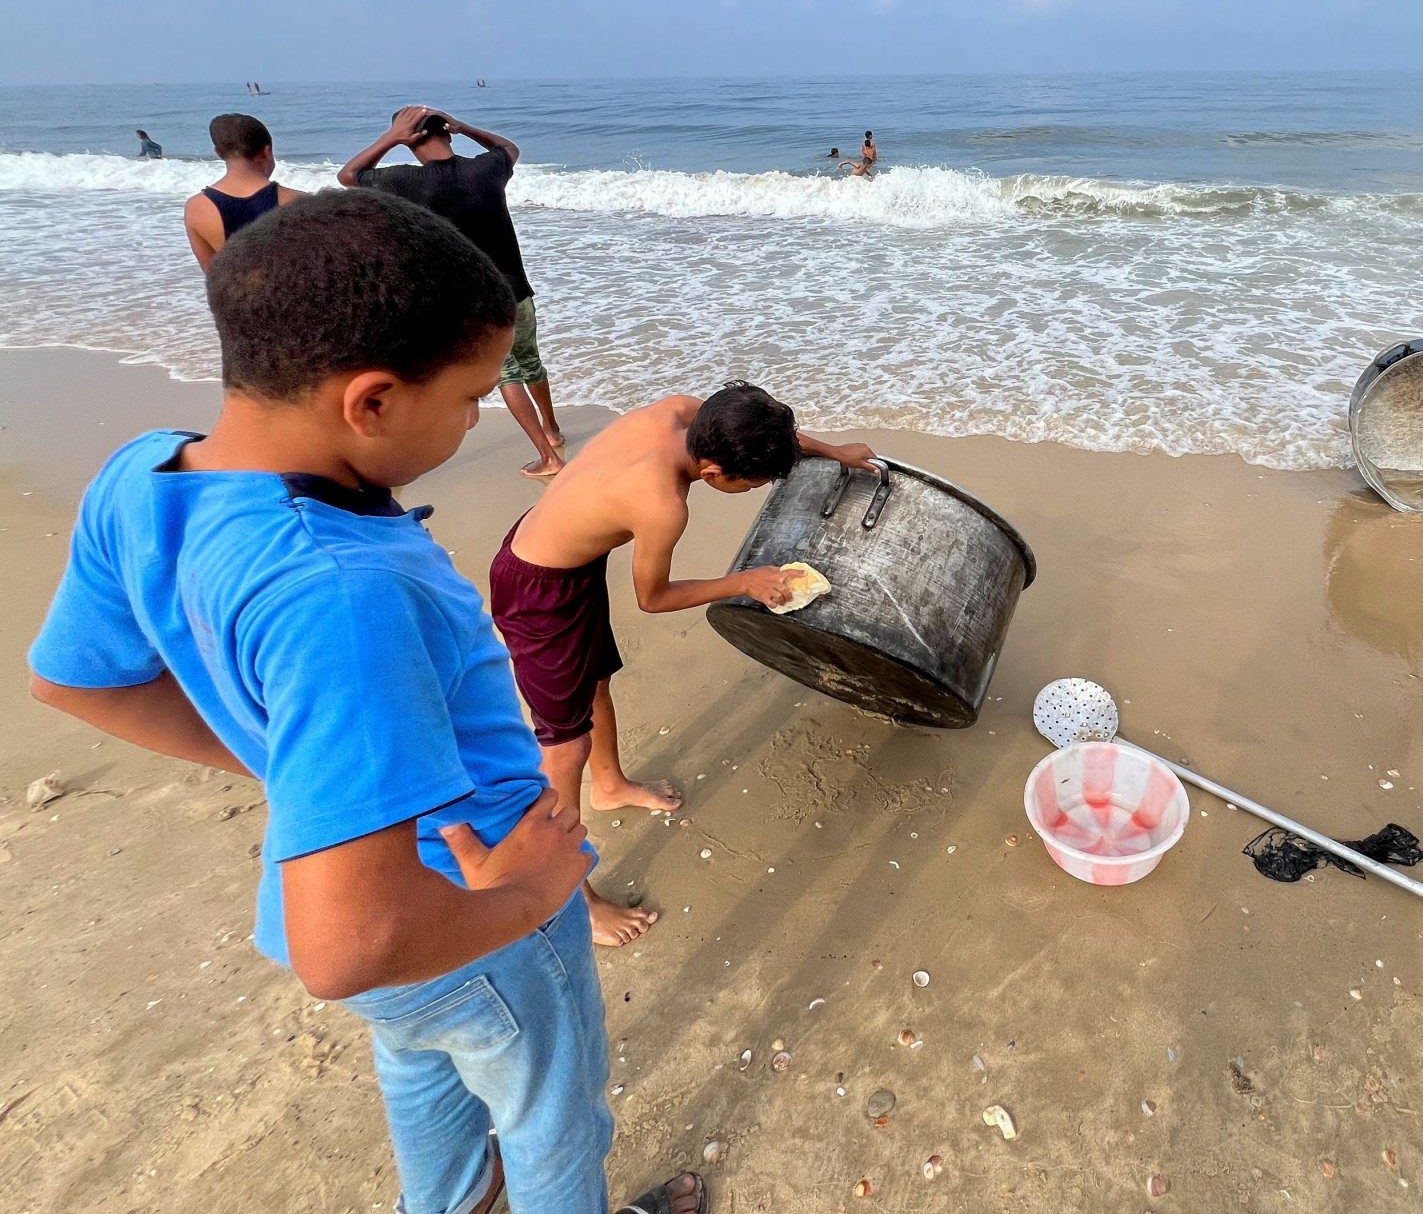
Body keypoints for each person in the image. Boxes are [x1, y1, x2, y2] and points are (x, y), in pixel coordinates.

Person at [25, 189, 706, 1214]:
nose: (479, 416)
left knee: (422, 1067)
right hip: (468, 910)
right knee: (553, 1119)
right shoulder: (342, 594)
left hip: (408, 935)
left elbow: (73, 675)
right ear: (372, 401)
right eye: (471, 395)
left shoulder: (143, 475)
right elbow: (346, 945)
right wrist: (526, 896)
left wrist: (294, 770)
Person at [489, 384, 874, 946]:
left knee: (595, 680)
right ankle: (571, 899)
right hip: (538, 590)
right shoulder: (663, 504)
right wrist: (746, 581)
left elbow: (764, 433)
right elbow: (655, 596)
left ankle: (612, 785)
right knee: (563, 746)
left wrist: (833, 451)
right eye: (753, 484)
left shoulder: (680, 410)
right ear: (715, 472)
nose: (754, 490)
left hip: (566, 560)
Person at [339, 106, 566, 479]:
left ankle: (548, 457)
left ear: (412, 141)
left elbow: (349, 175)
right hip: (518, 291)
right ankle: (553, 431)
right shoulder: (485, 169)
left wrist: (391, 137)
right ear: (447, 132)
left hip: (476, 304)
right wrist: (465, 127)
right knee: (530, 361)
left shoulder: (407, 182)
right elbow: (509, 147)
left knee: (508, 374)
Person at [182, 113, 304, 272]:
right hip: (289, 295)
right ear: (266, 151)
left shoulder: (196, 208)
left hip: (235, 296)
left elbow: (212, 277)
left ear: (219, 153)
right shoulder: (297, 201)